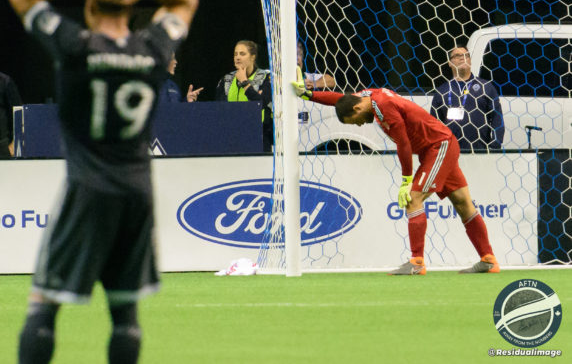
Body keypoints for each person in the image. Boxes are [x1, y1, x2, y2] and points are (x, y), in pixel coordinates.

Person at [7, 0, 198, 364]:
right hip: (137, 192)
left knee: (44, 303)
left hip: (88, 187)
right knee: (125, 310)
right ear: (130, 9)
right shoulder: (152, 48)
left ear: (90, 7)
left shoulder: (77, 45)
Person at [294, 80, 499, 275]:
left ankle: (416, 262)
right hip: (435, 147)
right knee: (463, 203)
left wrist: (406, 181)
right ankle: (488, 259)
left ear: (357, 110)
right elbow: (340, 99)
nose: (358, 126)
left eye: (354, 123)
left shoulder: (384, 107)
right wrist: (309, 95)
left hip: (438, 147)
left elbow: (404, 145)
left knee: (412, 198)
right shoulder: (367, 97)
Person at [430, 46, 505, 151]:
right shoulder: (442, 91)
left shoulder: (485, 87)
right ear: (450, 63)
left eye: (466, 55)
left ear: (470, 61)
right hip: (450, 152)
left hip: (480, 151)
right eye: (457, 56)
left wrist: (494, 146)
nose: (462, 58)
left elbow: (497, 118)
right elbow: (434, 124)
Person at [216, 40, 273, 151]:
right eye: (235, 54)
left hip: (259, 136)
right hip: (231, 137)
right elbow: (219, 109)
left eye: (242, 54)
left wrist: (245, 83)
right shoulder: (226, 80)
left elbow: (260, 104)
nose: (237, 57)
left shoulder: (266, 77)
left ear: (252, 57)